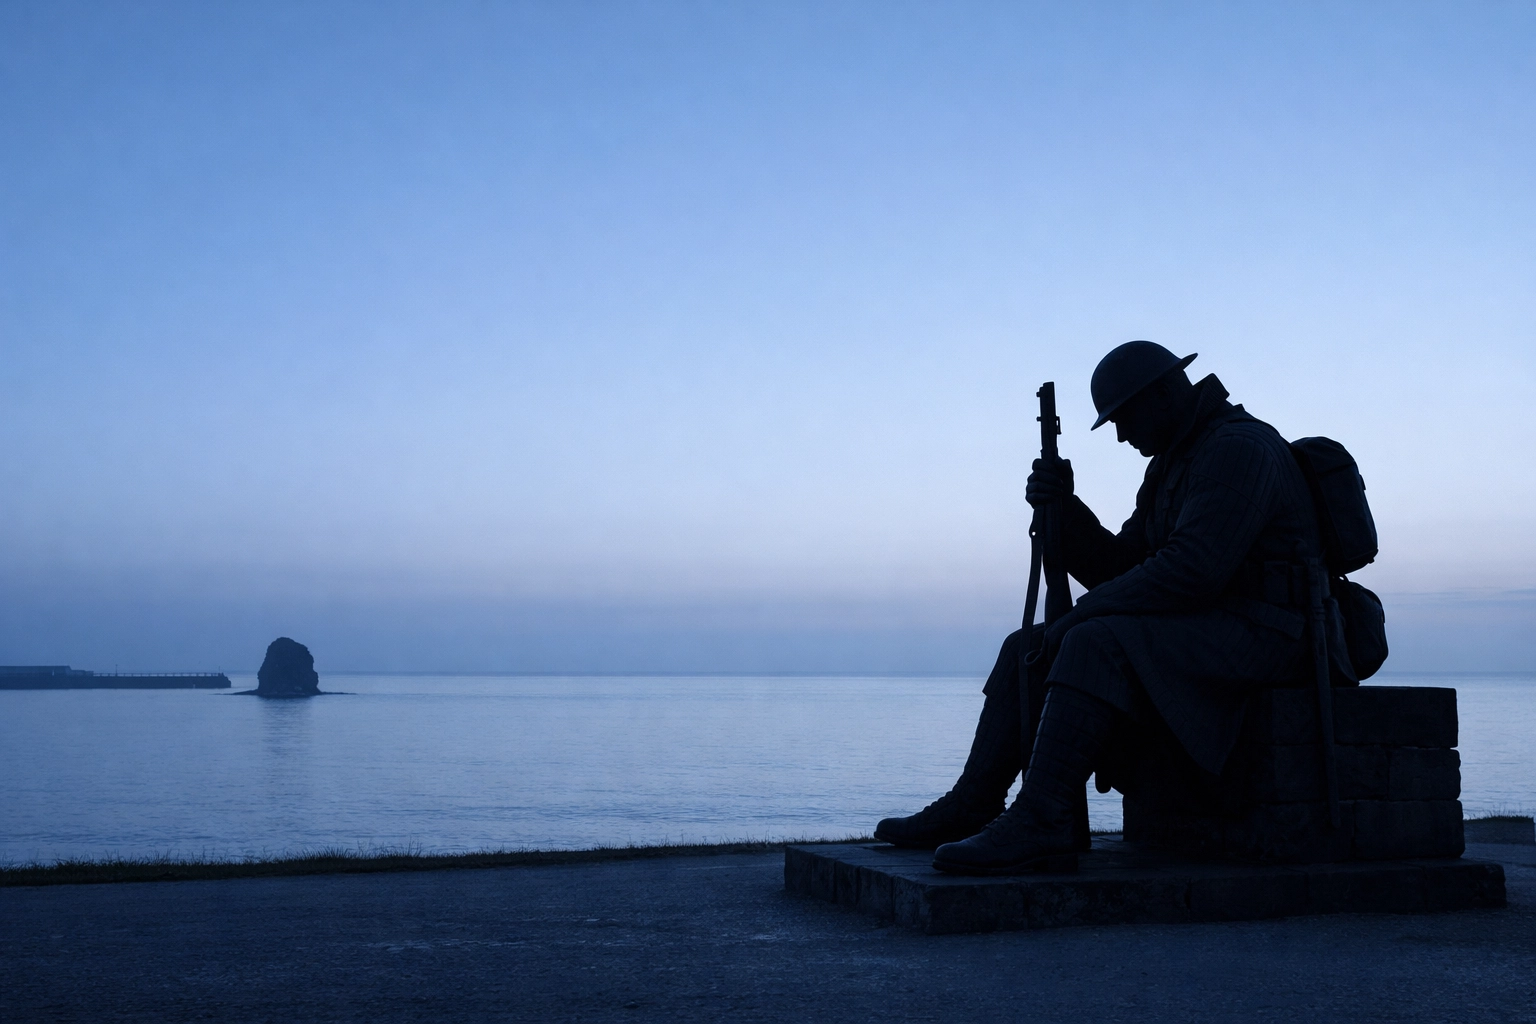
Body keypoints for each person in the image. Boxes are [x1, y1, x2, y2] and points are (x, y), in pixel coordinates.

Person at [875, 340, 1331, 874]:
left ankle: (1044, 816)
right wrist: (1065, 510)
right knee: (1025, 646)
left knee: (1092, 640)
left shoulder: (1237, 449)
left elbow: (1191, 572)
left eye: (1124, 418)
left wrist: (1079, 617)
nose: (1119, 434)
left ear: (1163, 395)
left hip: (1275, 632)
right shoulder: (1173, 465)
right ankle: (974, 802)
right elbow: (1124, 566)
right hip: (1214, 625)